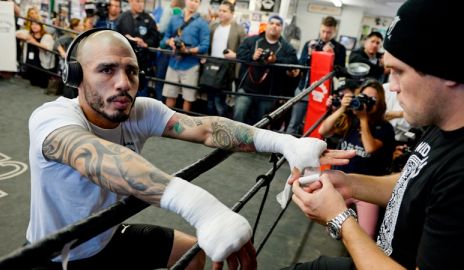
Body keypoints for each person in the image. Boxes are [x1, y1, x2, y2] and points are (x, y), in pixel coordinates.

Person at [27, 29, 354, 269]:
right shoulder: (53, 118)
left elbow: (208, 128)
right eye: (107, 70)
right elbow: (101, 159)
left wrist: (285, 143)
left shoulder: (140, 110)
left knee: (193, 253)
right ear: (76, 76)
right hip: (57, 256)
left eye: (131, 71)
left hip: (108, 238)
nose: (123, 82)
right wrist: (201, 208)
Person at [286, 0, 464, 269]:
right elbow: (415, 185)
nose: (391, 87)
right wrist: (348, 183)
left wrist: (339, 219)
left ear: (448, 69)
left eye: (399, 72)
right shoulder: (442, 126)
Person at [318, 80, 395, 239]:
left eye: (372, 99)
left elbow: (369, 147)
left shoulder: (384, 128)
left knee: (367, 235)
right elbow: (323, 130)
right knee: (333, 229)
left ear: (379, 104)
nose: (366, 101)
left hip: (367, 186)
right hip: (342, 181)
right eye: (364, 97)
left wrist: (363, 119)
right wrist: (342, 108)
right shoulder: (350, 120)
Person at [286, 16, 346, 135]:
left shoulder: (339, 48)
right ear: (320, 29)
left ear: (334, 31)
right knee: (294, 122)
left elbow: (342, 72)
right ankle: (284, 152)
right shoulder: (310, 44)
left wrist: (331, 57)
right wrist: (309, 55)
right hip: (305, 87)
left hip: (323, 91)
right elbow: (301, 65)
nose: (325, 35)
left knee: (318, 123)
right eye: (323, 31)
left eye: (329, 32)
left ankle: (311, 151)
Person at [234, 15, 298, 124]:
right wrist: (252, 56)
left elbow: (293, 62)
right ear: (266, 25)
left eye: (278, 24)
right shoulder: (252, 40)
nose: (274, 26)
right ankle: (236, 140)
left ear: (282, 28)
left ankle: (255, 141)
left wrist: (276, 60)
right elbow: (240, 53)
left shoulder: (287, 47)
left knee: (261, 122)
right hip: (247, 89)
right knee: (238, 113)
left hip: (269, 94)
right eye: (272, 23)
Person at [162, 0, 210, 112]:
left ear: (199, 4)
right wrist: (170, 42)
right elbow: (165, 38)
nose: (193, 3)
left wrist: (187, 50)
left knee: (188, 98)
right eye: (191, 0)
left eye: (196, 1)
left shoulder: (202, 23)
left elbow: (205, 46)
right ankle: (166, 124)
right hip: (173, 63)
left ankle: (185, 126)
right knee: (170, 95)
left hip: (191, 65)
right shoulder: (174, 19)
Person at [200, 0, 246, 116]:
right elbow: (208, 45)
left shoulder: (239, 29)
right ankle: (209, 128)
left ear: (232, 13)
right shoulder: (213, 26)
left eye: (224, 11)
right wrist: (205, 56)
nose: (221, 13)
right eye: (220, 10)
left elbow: (244, 51)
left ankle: (220, 128)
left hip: (226, 70)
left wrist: (235, 55)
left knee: (219, 102)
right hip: (211, 68)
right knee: (209, 101)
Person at [115, 0, 160, 98]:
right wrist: (127, 39)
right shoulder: (122, 17)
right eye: (138, 1)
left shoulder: (149, 19)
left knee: (142, 94)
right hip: (124, 61)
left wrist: (145, 43)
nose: (140, 4)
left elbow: (156, 38)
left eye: (142, 2)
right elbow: (115, 36)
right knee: (124, 93)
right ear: (130, 1)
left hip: (143, 63)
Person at [16, 21, 55, 88]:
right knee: (33, 82)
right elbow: (16, 33)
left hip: (42, 64)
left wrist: (33, 41)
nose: (34, 26)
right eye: (32, 24)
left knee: (42, 84)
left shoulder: (47, 36)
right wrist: (27, 37)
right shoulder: (29, 34)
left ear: (41, 26)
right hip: (31, 64)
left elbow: (48, 49)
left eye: (37, 24)